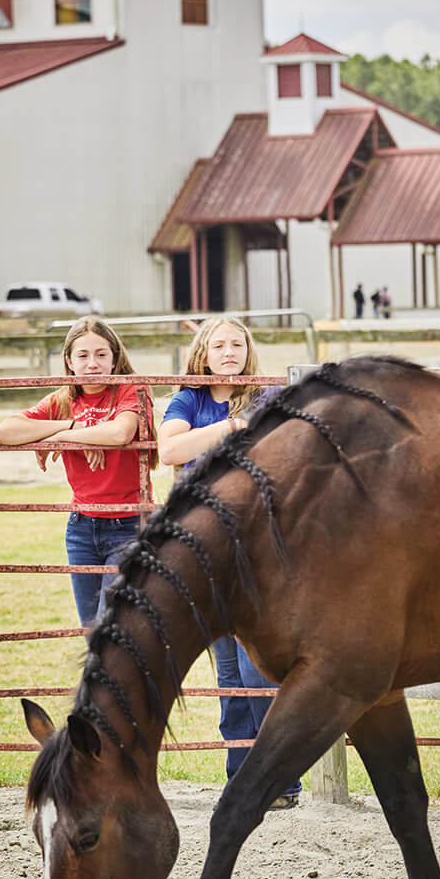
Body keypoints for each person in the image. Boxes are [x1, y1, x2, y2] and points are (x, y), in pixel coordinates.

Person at [158, 316, 302, 810]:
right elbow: (168, 448)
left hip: (248, 542)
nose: (228, 352)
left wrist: (231, 432)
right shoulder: (190, 397)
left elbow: (275, 452)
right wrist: (231, 428)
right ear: (203, 351)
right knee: (227, 669)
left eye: (237, 343)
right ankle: (241, 775)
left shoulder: (263, 397)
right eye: (218, 344)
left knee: (255, 662)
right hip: (201, 547)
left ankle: (278, 780)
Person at [0, 315, 155, 628]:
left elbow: (119, 434)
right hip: (82, 527)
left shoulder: (131, 390)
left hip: (128, 524)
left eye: (101, 354)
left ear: (114, 358)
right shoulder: (64, 400)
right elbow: (5, 431)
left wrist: (55, 438)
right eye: (82, 356)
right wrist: (72, 426)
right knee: (91, 629)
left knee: (114, 624)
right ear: (68, 361)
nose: (92, 363)